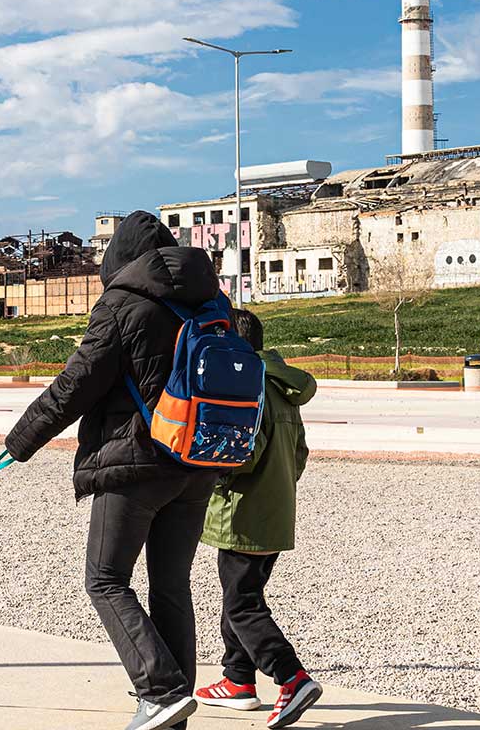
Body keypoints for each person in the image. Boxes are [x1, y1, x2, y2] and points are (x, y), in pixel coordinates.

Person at [5, 210, 223, 730]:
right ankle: (174, 709)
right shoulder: (214, 302)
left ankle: (161, 691)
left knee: (105, 579)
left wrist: (18, 442)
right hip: (199, 461)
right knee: (172, 586)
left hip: (136, 464)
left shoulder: (122, 304)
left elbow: (74, 386)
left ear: (119, 260)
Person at [193, 308, 322, 728]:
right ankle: (237, 680)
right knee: (241, 594)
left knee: (241, 605)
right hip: (275, 511)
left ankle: (291, 676)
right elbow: (298, 453)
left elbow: (241, 455)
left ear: (232, 343)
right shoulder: (283, 385)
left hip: (242, 515)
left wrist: (208, 475)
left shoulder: (249, 385)